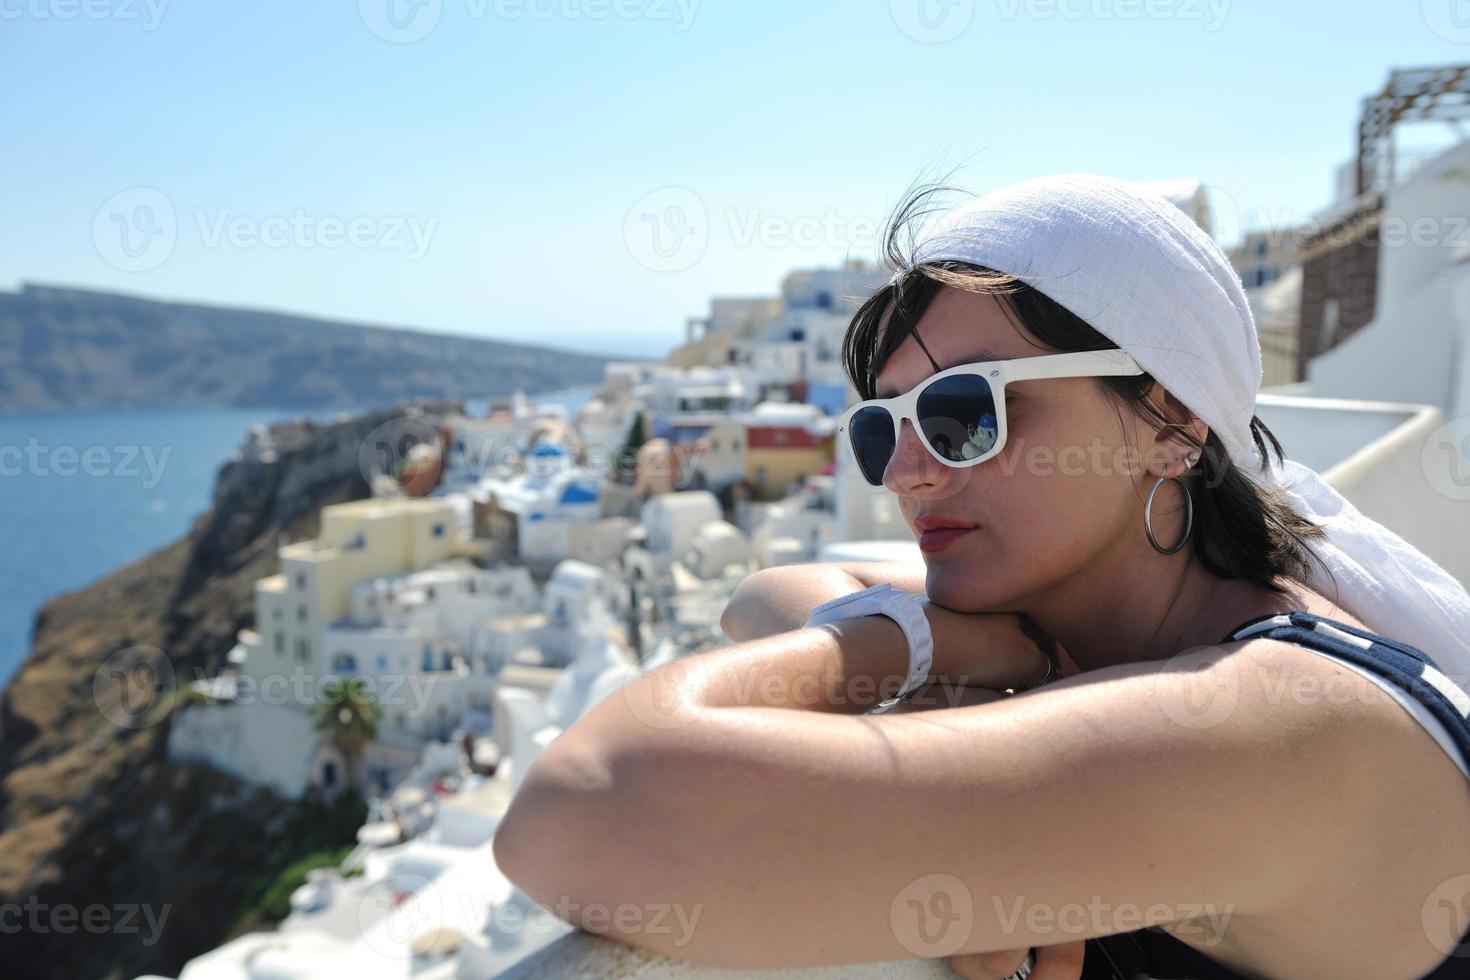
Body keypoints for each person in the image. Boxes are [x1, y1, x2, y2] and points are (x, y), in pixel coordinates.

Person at [493, 174, 1470, 979]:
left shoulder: (1285, 721)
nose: (911, 469)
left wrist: (907, 648)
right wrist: (953, 649)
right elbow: (769, 591)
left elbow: (587, 811)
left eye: (967, 411)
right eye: (883, 427)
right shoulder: (1106, 636)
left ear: (1170, 422)